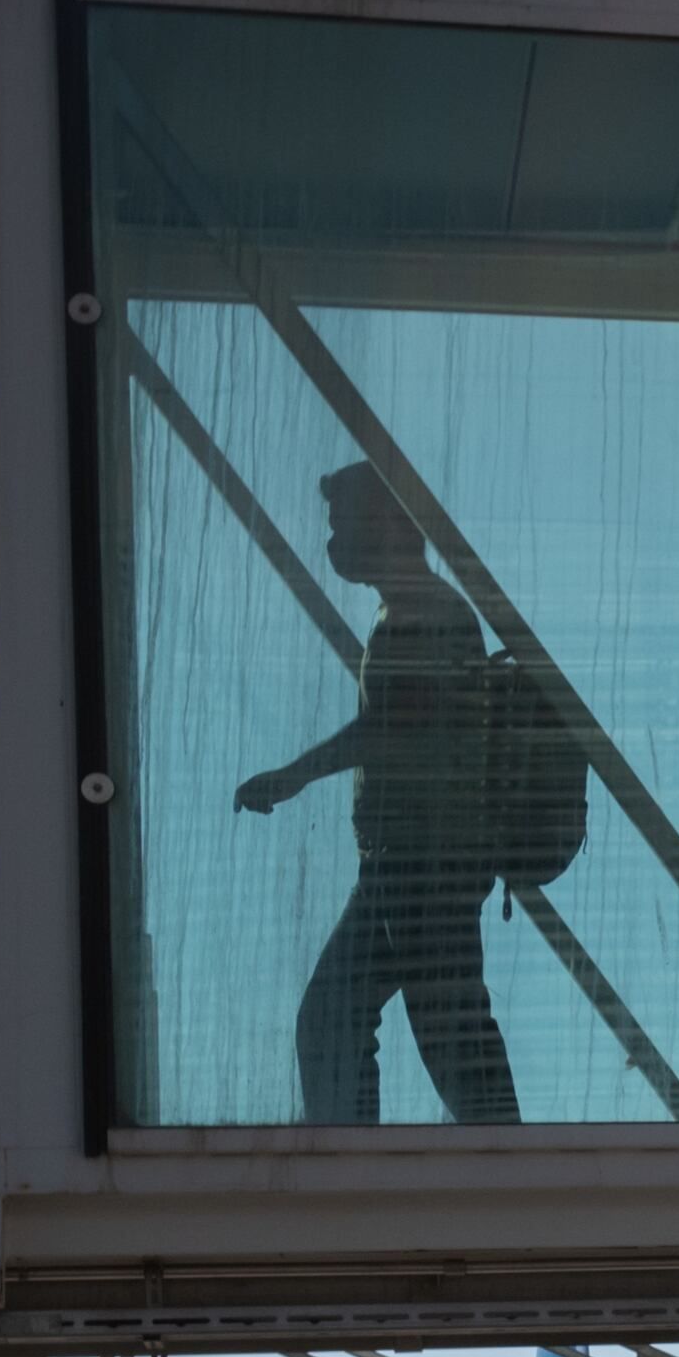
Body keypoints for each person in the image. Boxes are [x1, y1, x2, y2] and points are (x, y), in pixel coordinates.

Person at [235, 463, 518, 1126]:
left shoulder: (428, 611)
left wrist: (296, 773)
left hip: (423, 863)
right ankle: (360, 1164)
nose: (334, 542)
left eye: (344, 523)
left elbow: (398, 722)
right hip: (401, 863)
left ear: (390, 523)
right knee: (351, 1020)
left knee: (441, 1032)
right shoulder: (410, 609)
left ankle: (499, 1167)